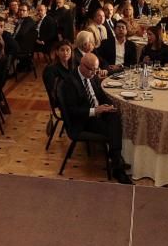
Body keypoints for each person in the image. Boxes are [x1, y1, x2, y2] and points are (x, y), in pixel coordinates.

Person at [57, 53, 132, 184]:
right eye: (91, 69)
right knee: (112, 129)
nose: (94, 73)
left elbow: (99, 95)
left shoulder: (91, 75)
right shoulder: (70, 82)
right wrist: (95, 110)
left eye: (96, 69)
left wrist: (109, 106)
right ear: (82, 65)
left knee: (115, 116)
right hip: (83, 120)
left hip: (97, 113)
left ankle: (115, 159)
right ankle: (117, 165)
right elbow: (72, 111)